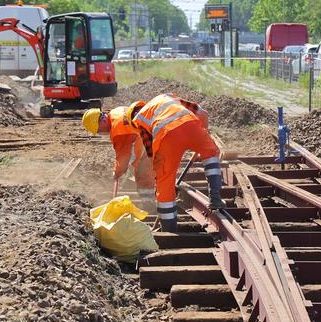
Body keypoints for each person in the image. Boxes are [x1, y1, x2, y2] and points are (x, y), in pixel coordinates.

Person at [125, 93, 224, 232]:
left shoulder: (139, 119)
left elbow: (152, 153)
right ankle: (215, 197)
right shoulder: (167, 97)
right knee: (211, 153)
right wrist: (202, 137)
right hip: (191, 125)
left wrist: (162, 179)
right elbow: (203, 113)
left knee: (164, 183)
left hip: (167, 138)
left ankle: (168, 228)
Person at [82, 107, 155, 202]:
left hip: (155, 137)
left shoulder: (118, 129)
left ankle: (150, 205)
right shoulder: (115, 112)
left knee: (143, 175)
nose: (102, 133)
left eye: (99, 130)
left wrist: (117, 173)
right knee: (144, 169)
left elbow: (123, 157)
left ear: (103, 121)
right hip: (152, 133)